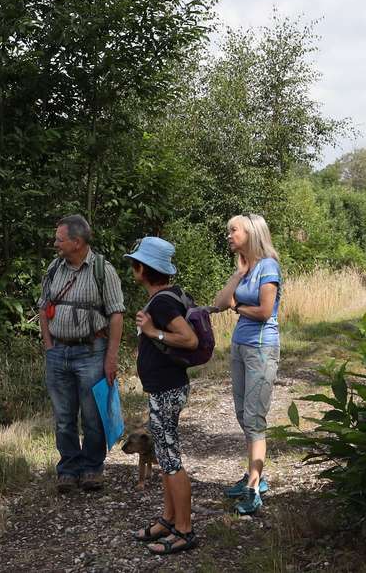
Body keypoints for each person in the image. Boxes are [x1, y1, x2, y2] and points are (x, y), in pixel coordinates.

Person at [38, 214, 125, 494]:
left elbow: (116, 315)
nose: (55, 244)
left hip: (91, 352)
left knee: (91, 415)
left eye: (60, 240)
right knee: (63, 417)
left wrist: (110, 357)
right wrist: (49, 345)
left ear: (77, 242)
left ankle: (91, 468)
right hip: (58, 353)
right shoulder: (54, 268)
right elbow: (43, 307)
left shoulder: (103, 270)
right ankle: (68, 469)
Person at [125, 237, 199, 555]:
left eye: (134, 263)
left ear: (143, 269)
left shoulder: (161, 303)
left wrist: (151, 330)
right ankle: (169, 520)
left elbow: (189, 339)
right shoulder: (164, 298)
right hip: (164, 389)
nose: (132, 268)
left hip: (167, 391)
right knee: (167, 458)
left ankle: (184, 530)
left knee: (171, 461)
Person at [212, 213, 282, 516]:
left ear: (251, 233)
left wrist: (237, 306)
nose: (228, 235)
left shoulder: (269, 266)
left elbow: (266, 311)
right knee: (242, 413)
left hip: (261, 348)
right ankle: (254, 476)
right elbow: (219, 302)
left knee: (254, 418)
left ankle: (254, 488)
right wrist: (238, 275)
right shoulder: (245, 267)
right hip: (240, 346)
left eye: (233, 230)